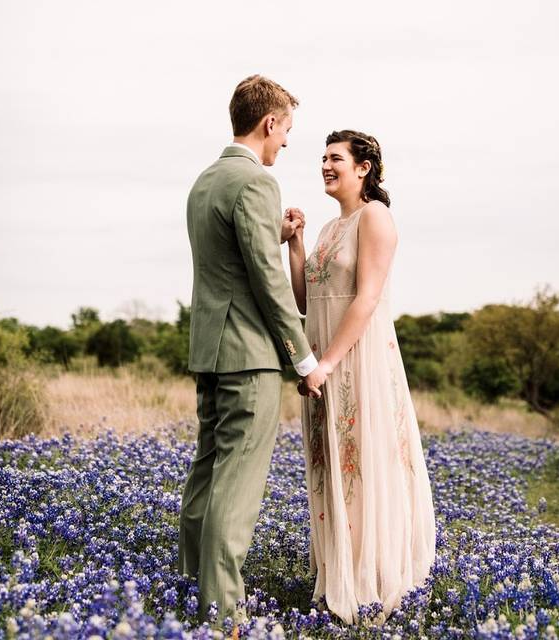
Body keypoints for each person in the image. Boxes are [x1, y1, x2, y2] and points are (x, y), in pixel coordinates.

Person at [179, 75, 328, 623]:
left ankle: (190, 590)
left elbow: (230, 265)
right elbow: (267, 282)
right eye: (286, 129)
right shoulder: (257, 184)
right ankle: (223, 617)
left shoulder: (205, 181)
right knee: (238, 487)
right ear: (269, 123)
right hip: (250, 357)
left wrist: (277, 235)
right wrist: (304, 358)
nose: (286, 142)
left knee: (208, 471)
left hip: (210, 353)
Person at [286, 130, 436, 624]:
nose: (325, 166)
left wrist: (328, 361)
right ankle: (338, 581)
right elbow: (305, 301)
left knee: (363, 465)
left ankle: (372, 585)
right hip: (321, 362)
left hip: (356, 360)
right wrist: (298, 244)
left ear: (363, 167)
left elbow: (368, 298)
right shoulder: (331, 227)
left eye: (335, 159)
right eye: (322, 159)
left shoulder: (375, 217)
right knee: (330, 467)